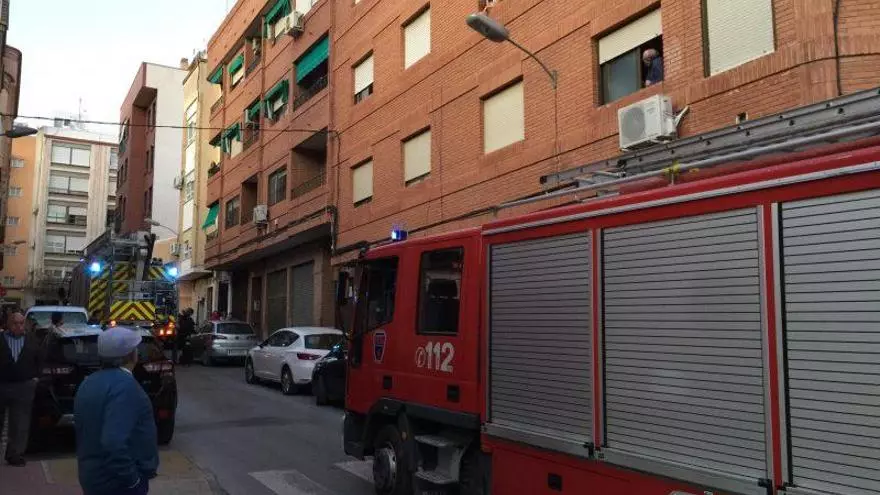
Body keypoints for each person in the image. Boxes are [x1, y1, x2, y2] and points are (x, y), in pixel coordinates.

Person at [74, 327, 159, 495]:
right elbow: (113, 442)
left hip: (92, 476)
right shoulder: (125, 386)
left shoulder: (89, 382)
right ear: (131, 355)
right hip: (117, 483)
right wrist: (132, 480)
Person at [0, 308, 42, 466]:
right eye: (15, 323)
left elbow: (40, 358)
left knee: (20, 423)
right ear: (8, 324)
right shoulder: (1, 338)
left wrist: (36, 377)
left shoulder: (32, 340)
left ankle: (15, 454)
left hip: (24, 386)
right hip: (2, 385)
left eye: (21, 323)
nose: (18, 326)